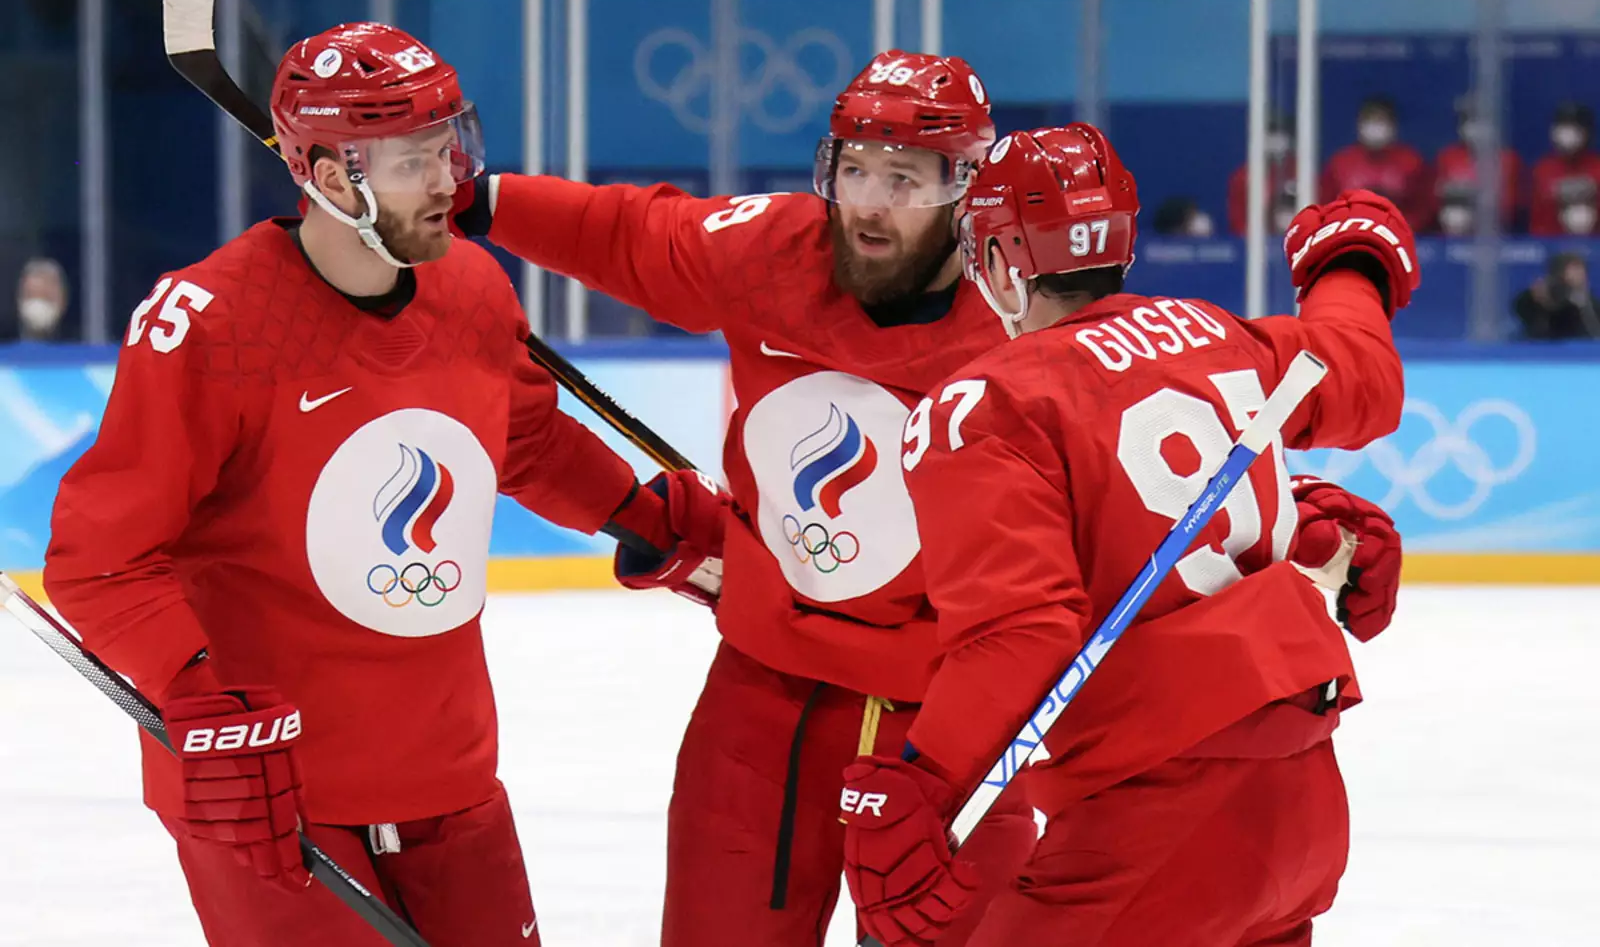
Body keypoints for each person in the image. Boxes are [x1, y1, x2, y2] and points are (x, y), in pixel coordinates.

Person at [455, 52, 1405, 946]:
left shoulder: (1018, 346)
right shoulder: (773, 249)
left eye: (905, 177)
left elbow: (1053, 572)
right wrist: (471, 197)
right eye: (854, 170)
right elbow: (626, 232)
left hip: (953, 708)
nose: (870, 202)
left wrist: (1306, 515)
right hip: (771, 682)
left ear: (968, 197)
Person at [42, 22, 721, 947]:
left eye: (451, 146)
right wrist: (196, 693)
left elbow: (522, 438)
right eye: (415, 162)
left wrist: (645, 518)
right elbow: (101, 557)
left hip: (449, 771)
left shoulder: (471, 288)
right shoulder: (211, 324)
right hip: (271, 791)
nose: (451, 181)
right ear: (329, 179)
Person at [837, 125, 1417, 947]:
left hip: (1157, 820)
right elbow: (1361, 372)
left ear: (999, 259)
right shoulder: (1217, 336)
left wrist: (925, 782)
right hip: (1303, 806)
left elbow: (1019, 632)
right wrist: (1349, 263)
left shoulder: (987, 404)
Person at [1320, 95, 1429, 231]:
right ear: (1359, 125)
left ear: (1393, 126)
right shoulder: (1340, 163)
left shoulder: (1412, 162)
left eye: (1381, 121)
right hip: (1350, 233)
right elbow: (1326, 205)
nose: (1375, 127)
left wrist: (1401, 227)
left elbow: (1424, 207)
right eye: (1369, 120)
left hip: (1398, 233)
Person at [1432, 97, 1523, 234]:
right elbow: (1434, 199)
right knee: (1455, 215)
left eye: (1482, 123)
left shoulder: (1507, 159)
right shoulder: (1447, 156)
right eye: (1469, 122)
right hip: (1452, 229)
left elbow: (1512, 205)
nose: (1475, 129)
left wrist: (1472, 194)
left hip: (1495, 232)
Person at [1529, 102, 1600, 236]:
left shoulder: (1598, 167)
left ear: (1587, 132)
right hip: (1549, 243)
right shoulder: (1543, 169)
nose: (1568, 134)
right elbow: (1537, 220)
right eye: (1563, 127)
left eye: (1575, 128)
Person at [1227, 111, 1297, 236]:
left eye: (1281, 133)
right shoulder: (1243, 178)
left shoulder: (1300, 172)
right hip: (1259, 241)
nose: (1276, 140)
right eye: (1271, 133)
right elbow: (1238, 225)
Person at [1514, 251, 1600, 339]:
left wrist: (1581, 304)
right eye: (1572, 270)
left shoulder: (1591, 304)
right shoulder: (1538, 300)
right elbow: (1521, 310)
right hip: (1543, 343)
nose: (1578, 275)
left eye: (1580, 270)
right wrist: (1537, 298)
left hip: (1580, 343)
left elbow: (1591, 332)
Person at [11, 256, 72, 342]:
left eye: (47, 297)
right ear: (19, 299)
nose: (39, 305)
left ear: (63, 301)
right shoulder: (4, 345)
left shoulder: (79, 345)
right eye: (32, 295)